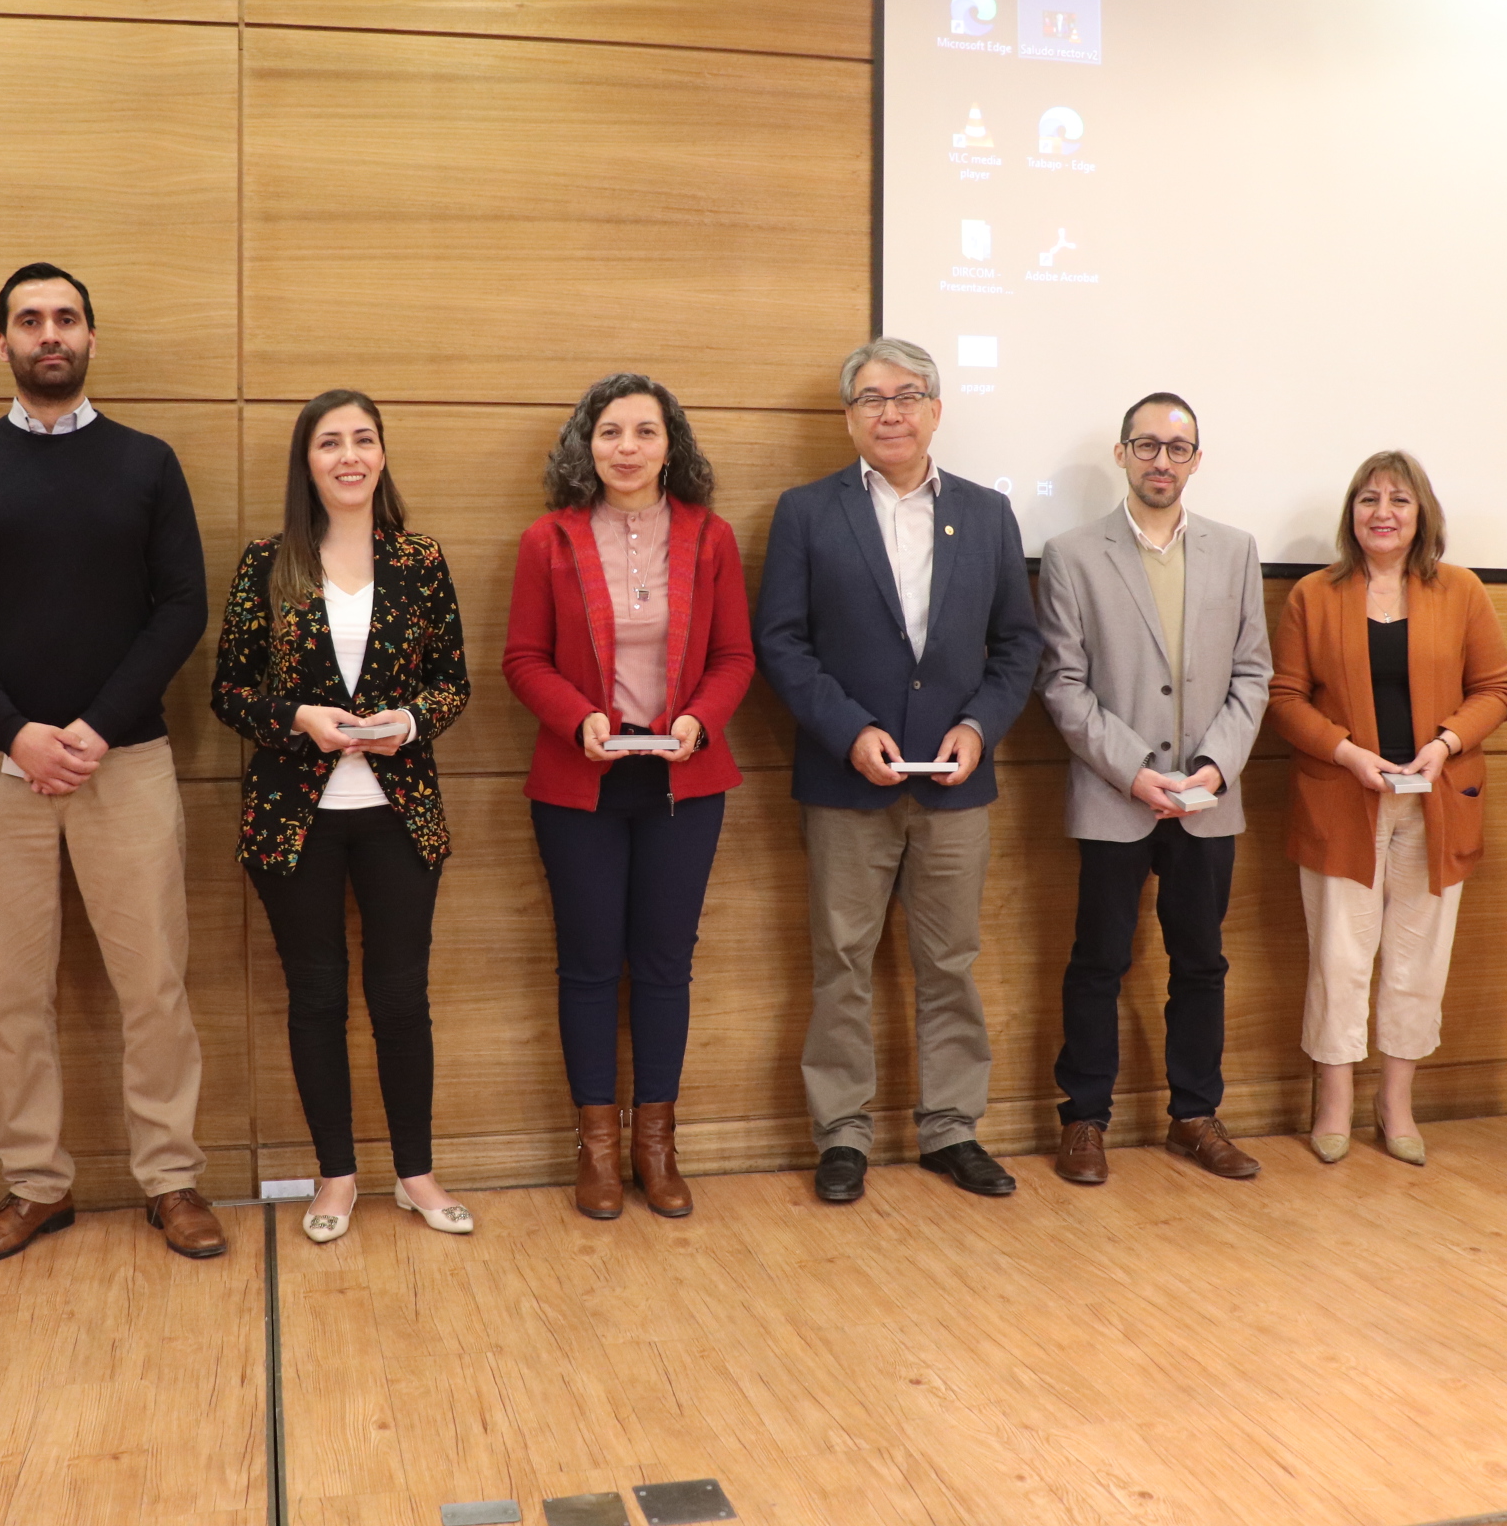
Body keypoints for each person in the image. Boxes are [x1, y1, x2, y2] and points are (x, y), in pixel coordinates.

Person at [0, 263, 225, 1263]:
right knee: (10, 994)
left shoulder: (148, 462)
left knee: (156, 987)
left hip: (123, 761)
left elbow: (181, 604)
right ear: (1, 342)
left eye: (67, 317)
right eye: (30, 319)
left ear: (91, 338)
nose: (51, 333)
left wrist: (95, 724)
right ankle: (37, 1185)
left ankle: (171, 1180)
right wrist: (16, 731)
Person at [755, 337, 1042, 1204]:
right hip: (849, 780)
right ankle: (841, 1134)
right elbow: (782, 641)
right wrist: (849, 732)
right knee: (842, 959)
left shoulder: (989, 516)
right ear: (849, 417)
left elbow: (1018, 644)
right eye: (872, 399)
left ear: (937, 409)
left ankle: (952, 1129)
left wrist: (978, 729)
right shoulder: (807, 511)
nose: (892, 412)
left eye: (908, 395)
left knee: (949, 960)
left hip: (955, 784)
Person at [213, 390, 473, 1244]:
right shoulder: (267, 562)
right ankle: (334, 1176)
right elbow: (230, 691)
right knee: (316, 995)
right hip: (296, 819)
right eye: (331, 443)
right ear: (308, 461)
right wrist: (298, 720)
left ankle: (417, 1174)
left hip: (400, 813)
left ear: (383, 455)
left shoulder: (422, 558)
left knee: (402, 996)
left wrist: (409, 721)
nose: (349, 455)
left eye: (364, 439)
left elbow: (452, 682)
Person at [503, 372, 757, 1220]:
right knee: (585, 967)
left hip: (683, 780)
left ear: (670, 445)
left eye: (645, 432)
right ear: (586, 444)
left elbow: (735, 658)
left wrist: (698, 721)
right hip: (580, 783)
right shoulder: (549, 539)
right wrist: (578, 719)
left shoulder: (709, 537)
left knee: (662, 966)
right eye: (610, 432)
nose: (626, 448)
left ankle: (658, 1147)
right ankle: (598, 1153)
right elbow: (522, 659)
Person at [1035, 392, 1272, 1185]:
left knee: (1201, 963)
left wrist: (1214, 768)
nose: (1161, 461)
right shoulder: (1072, 554)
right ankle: (1084, 1120)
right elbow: (1063, 684)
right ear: (1122, 454)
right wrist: (1134, 771)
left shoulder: (1235, 551)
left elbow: (1253, 674)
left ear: (1196, 460)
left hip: (1209, 800)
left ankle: (1195, 1116)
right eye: (1147, 446)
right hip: (1116, 796)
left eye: (1177, 449)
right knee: (1097, 964)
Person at [1267, 452, 1507, 1165]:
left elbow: (1497, 690)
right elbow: (1284, 699)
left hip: (1438, 803)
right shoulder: (1315, 595)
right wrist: (1348, 753)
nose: (1383, 512)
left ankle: (1396, 1103)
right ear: (1351, 513)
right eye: (1369, 498)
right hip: (1341, 802)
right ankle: (1336, 1101)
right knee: (1338, 958)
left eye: (1399, 500)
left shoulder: (1461, 591)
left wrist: (1444, 744)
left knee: (1418, 959)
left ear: (1421, 515)